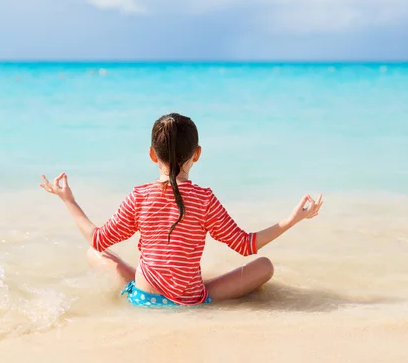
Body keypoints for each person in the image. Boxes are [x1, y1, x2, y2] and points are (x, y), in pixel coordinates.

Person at [40, 112, 323, 308]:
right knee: (265, 266)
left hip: (143, 298)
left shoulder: (139, 196)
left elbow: (98, 239)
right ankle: (187, 284)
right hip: (190, 300)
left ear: (152, 154)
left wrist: (68, 200)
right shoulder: (204, 199)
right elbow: (245, 245)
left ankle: (150, 282)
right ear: (196, 154)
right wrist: (291, 220)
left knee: (96, 251)